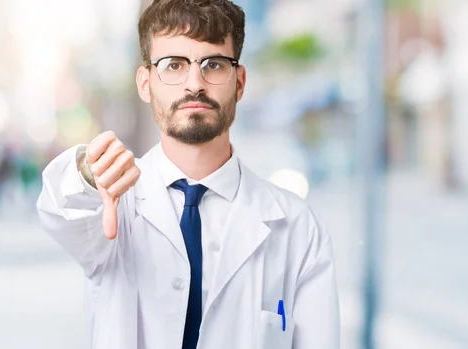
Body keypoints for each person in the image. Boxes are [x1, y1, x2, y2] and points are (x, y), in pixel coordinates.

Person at [36, 1, 340, 348]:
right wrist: (89, 175)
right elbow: (61, 209)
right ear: (145, 83)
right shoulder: (114, 203)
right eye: (174, 65)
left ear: (239, 83)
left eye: (213, 64)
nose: (194, 83)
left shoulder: (298, 228)